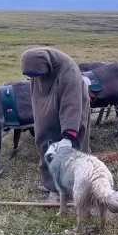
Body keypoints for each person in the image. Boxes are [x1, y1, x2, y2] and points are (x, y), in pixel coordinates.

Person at [20, 47, 91, 201]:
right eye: (32, 76)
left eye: (37, 75)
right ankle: (51, 185)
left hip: (73, 110)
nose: (35, 79)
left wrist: (68, 134)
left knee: (70, 152)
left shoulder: (69, 72)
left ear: (47, 65)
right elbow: (37, 98)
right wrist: (41, 121)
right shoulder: (38, 73)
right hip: (48, 109)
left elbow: (71, 105)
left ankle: (66, 190)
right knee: (45, 144)